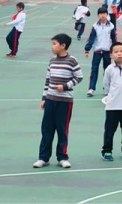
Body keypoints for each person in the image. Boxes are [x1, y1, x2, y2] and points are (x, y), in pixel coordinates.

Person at [33, 33, 83, 169]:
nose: (52, 47)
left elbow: (79, 77)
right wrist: (44, 98)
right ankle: (43, 158)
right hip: (50, 100)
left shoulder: (72, 61)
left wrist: (65, 86)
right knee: (46, 130)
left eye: (54, 44)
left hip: (65, 102)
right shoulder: (52, 61)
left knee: (62, 130)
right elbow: (47, 80)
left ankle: (62, 157)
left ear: (63, 46)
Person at [84, 7, 116, 97]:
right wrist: (87, 49)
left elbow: (113, 38)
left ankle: (106, 88)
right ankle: (91, 89)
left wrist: (114, 50)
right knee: (94, 70)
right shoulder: (95, 26)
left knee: (107, 71)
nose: (102, 15)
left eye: (104, 13)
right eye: (101, 14)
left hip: (107, 51)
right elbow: (91, 38)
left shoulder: (111, 26)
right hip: (97, 51)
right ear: (98, 15)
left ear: (107, 15)